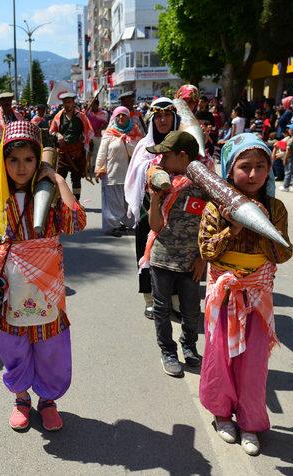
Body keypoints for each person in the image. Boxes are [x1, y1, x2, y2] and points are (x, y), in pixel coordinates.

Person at [0, 120, 86, 431]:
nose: (21, 167)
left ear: (38, 161)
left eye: (29, 160)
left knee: (50, 348)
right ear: (2, 163)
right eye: (13, 160)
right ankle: (21, 398)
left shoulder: (49, 195)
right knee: (13, 346)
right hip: (10, 289)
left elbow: (75, 223)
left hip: (47, 287)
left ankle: (48, 400)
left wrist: (57, 179)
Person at [198, 133, 292, 456]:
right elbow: (206, 250)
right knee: (220, 355)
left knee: (254, 361)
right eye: (244, 167)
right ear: (229, 169)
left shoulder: (276, 208)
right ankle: (222, 414)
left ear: (269, 170)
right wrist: (233, 228)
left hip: (258, 295)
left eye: (260, 167)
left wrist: (261, 225)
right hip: (224, 294)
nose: (252, 175)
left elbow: (284, 253)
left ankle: (250, 421)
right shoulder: (215, 207)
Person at [140, 131, 207, 377]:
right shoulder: (162, 181)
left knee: (191, 309)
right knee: (161, 308)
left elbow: (211, 226)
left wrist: (203, 257)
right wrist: (156, 200)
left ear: (182, 156)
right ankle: (168, 351)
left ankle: (189, 346)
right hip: (162, 258)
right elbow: (156, 227)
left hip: (192, 262)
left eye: (165, 156)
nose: (160, 161)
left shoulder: (205, 185)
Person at [124, 97, 180, 319]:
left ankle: (175, 299)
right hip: (149, 209)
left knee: (176, 254)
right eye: (158, 116)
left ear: (174, 118)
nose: (163, 120)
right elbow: (134, 173)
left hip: (176, 211)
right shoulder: (143, 146)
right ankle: (149, 298)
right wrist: (153, 165)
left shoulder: (183, 142)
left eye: (167, 115)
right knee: (145, 252)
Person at [95, 106, 142, 236]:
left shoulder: (135, 131)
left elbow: (137, 152)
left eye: (124, 115)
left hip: (130, 174)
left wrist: (127, 141)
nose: (121, 118)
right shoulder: (110, 132)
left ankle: (129, 224)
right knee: (112, 201)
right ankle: (113, 226)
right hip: (112, 173)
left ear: (128, 117)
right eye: (118, 116)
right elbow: (102, 152)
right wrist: (99, 168)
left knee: (129, 201)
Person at [49, 92, 94, 201]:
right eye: (65, 102)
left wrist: (83, 138)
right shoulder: (58, 116)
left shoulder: (81, 116)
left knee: (76, 179)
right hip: (63, 154)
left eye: (69, 102)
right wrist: (58, 134)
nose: (67, 104)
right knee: (59, 178)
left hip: (77, 154)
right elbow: (51, 131)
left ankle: (76, 201)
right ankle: (57, 201)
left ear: (73, 103)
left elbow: (89, 133)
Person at [86, 98, 109, 173]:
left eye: (94, 105)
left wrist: (100, 128)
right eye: (91, 105)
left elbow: (106, 124)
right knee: (88, 151)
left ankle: (94, 166)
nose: (93, 107)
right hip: (88, 136)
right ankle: (87, 166)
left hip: (98, 136)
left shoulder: (103, 113)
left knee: (96, 152)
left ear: (97, 105)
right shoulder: (88, 113)